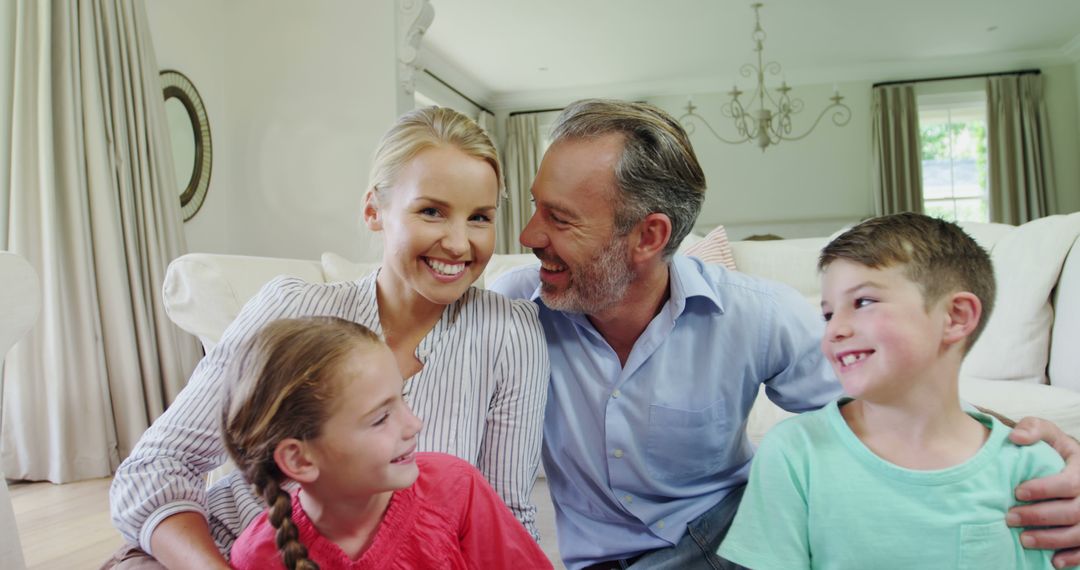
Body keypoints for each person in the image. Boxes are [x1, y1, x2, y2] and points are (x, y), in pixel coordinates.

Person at [489, 99, 1080, 570]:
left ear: (649, 237)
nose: (530, 232)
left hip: (731, 543)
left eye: (560, 218)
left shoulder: (756, 314)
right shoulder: (513, 310)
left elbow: (887, 401)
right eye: (538, 206)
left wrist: (1024, 443)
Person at [108, 107, 549, 569]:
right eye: (432, 211)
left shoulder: (509, 335)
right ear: (373, 211)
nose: (459, 244)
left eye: (479, 217)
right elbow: (155, 468)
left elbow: (506, 518)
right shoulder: (291, 308)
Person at [718, 213, 1060, 569]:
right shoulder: (793, 452)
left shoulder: (1031, 466)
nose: (834, 330)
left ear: (956, 316)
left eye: (863, 302)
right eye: (828, 314)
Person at [222, 316, 551, 569]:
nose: (414, 425)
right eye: (380, 419)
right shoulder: (257, 556)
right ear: (299, 460)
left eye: (402, 399)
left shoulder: (456, 488)